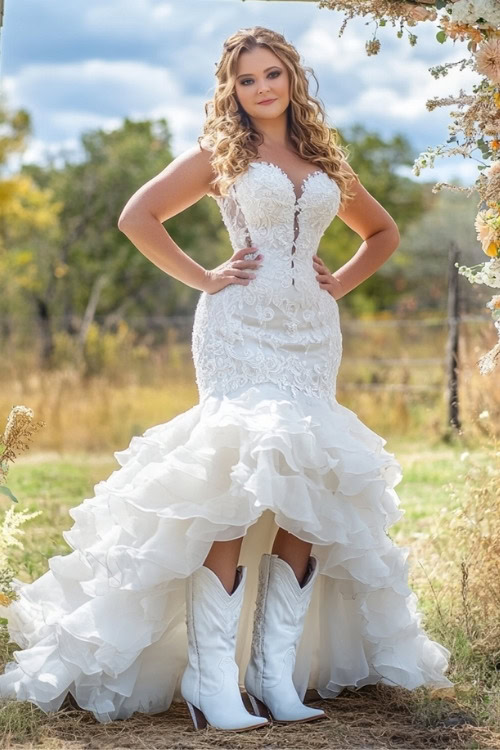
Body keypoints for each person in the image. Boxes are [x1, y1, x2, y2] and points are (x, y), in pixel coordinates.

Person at [0, 25, 453, 732]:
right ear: (232, 90)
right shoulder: (224, 152)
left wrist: (339, 285)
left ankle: (273, 679)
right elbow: (137, 216)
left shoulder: (325, 154)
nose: (263, 88)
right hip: (239, 329)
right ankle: (213, 683)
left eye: (272, 74)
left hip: (311, 334)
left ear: (292, 78)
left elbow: (383, 233)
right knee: (233, 488)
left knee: (308, 487)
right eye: (247, 79)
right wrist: (205, 276)